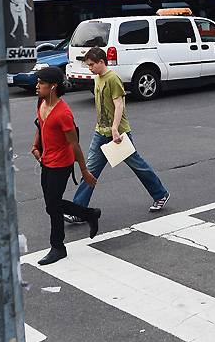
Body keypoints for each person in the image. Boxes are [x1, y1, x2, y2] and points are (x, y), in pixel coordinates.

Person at [69, 47, 171, 221]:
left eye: (92, 64)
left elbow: (119, 105)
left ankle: (160, 194)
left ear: (102, 62)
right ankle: (78, 211)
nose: (90, 68)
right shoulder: (98, 79)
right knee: (90, 170)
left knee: (138, 165)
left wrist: (115, 128)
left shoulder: (112, 79)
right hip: (100, 133)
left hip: (118, 134)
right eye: (88, 65)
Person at [31, 66, 101, 265]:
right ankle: (90, 214)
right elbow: (40, 124)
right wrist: (36, 145)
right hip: (46, 160)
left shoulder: (63, 114)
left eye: (41, 83)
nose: (37, 86)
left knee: (53, 205)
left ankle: (58, 247)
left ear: (53, 87)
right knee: (51, 205)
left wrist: (84, 170)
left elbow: (74, 144)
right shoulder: (42, 102)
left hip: (62, 163)